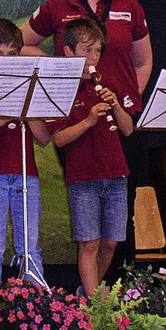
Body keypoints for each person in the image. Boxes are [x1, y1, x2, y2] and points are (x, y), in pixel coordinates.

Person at [19, 0, 152, 276]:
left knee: (119, 225)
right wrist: (59, 66)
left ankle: (114, 293)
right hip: (77, 120)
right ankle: (93, 304)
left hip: (122, 120)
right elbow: (20, 45)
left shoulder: (130, 5)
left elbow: (144, 61)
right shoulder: (56, 6)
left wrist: (127, 103)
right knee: (89, 223)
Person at [48, 18, 133, 297]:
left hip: (116, 173)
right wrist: (87, 121)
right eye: (87, 50)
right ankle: (95, 303)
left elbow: (128, 129)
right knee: (89, 243)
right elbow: (58, 139)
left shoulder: (107, 81)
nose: (94, 57)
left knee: (111, 242)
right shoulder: (61, 87)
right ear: (69, 52)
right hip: (83, 176)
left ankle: (89, 293)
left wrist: (116, 105)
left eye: (97, 50)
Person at [0, 18, 51, 289]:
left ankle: (37, 310)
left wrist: (27, 107)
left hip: (26, 173)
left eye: (12, 55)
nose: (4, 61)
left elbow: (43, 138)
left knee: (29, 246)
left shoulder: (29, 84)